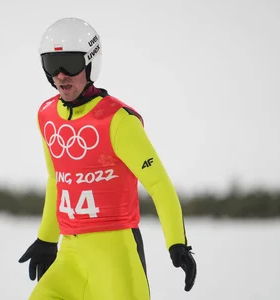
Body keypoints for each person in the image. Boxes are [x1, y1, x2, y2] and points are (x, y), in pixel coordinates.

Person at [19, 17, 197, 300]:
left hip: (116, 257)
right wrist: (47, 238)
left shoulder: (118, 121)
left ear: (91, 63)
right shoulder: (47, 116)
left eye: (71, 64)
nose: (61, 75)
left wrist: (177, 243)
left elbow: (158, 184)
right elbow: (57, 178)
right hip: (70, 257)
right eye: (53, 65)